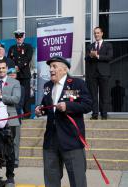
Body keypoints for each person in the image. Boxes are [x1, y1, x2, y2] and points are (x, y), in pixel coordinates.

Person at [35, 56, 92, 187]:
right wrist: (40, 110)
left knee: (78, 180)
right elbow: (46, 106)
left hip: (71, 140)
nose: (51, 69)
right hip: (51, 141)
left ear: (64, 69)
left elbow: (88, 105)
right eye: (50, 67)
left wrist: (68, 106)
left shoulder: (76, 83)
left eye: (54, 66)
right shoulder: (47, 85)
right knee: (51, 180)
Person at [0, 60, 21, 186]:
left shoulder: (15, 82)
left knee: (10, 149)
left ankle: (10, 176)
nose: (1, 70)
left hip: (11, 119)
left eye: (3, 68)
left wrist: (1, 96)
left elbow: (16, 99)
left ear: (7, 68)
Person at [85, 27, 113, 120]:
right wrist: (90, 55)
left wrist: (98, 56)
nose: (96, 35)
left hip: (104, 73)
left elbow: (109, 57)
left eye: (98, 33)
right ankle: (95, 114)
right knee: (93, 95)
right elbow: (86, 59)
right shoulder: (90, 46)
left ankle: (104, 115)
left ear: (102, 33)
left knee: (104, 95)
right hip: (92, 74)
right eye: (95, 33)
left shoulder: (108, 45)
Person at [8, 30, 33, 115]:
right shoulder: (12, 48)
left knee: (25, 95)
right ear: (15, 38)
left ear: (24, 37)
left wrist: (18, 66)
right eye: (17, 37)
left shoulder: (28, 47)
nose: (19, 39)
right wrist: (13, 68)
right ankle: (16, 113)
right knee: (15, 94)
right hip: (14, 76)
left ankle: (27, 113)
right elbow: (9, 60)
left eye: (20, 37)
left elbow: (27, 58)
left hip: (25, 75)